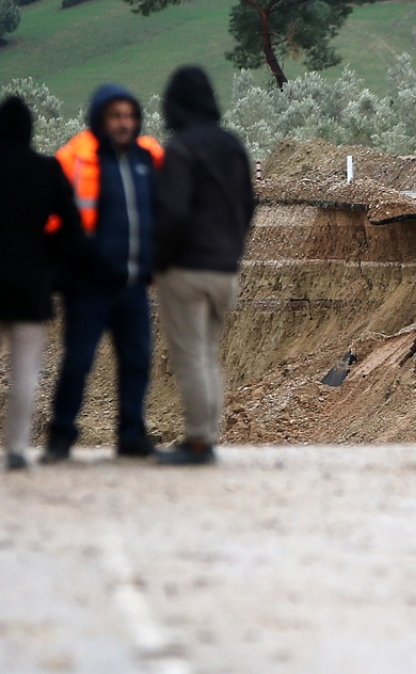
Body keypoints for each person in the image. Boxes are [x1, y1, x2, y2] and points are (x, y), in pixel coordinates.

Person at [0, 96, 86, 470]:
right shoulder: (46, 169)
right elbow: (72, 229)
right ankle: (17, 450)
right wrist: (47, 257)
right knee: (25, 373)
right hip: (30, 286)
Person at [43, 83, 163, 463]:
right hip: (88, 286)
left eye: (129, 116)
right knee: (78, 362)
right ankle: (60, 436)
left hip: (133, 283)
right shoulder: (75, 158)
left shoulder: (148, 159)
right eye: (116, 116)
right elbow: (51, 218)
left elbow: (162, 214)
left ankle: (131, 434)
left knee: (137, 361)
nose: (124, 123)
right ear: (99, 118)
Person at [152, 66, 256, 465]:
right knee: (207, 354)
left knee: (190, 356)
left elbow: (173, 213)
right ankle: (206, 437)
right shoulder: (233, 145)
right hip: (225, 271)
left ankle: (198, 442)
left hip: (187, 270)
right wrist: (231, 248)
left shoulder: (181, 149)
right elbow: (248, 204)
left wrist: (159, 260)